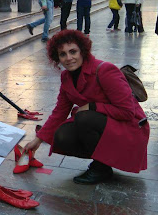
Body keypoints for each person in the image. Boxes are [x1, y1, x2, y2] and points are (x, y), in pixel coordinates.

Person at [23, 30, 150, 184]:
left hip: (130, 128)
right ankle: (104, 159)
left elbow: (127, 112)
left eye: (73, 51)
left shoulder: (105, 70)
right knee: (61, 136)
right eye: (63, 54)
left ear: (82, 51)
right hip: (105, 123)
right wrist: (37, 140)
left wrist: (93, 106)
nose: (69, 58)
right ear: (58, 58)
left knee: (83, 118)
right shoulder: (66, 77)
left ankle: (101, 168)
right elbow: (60, 111)